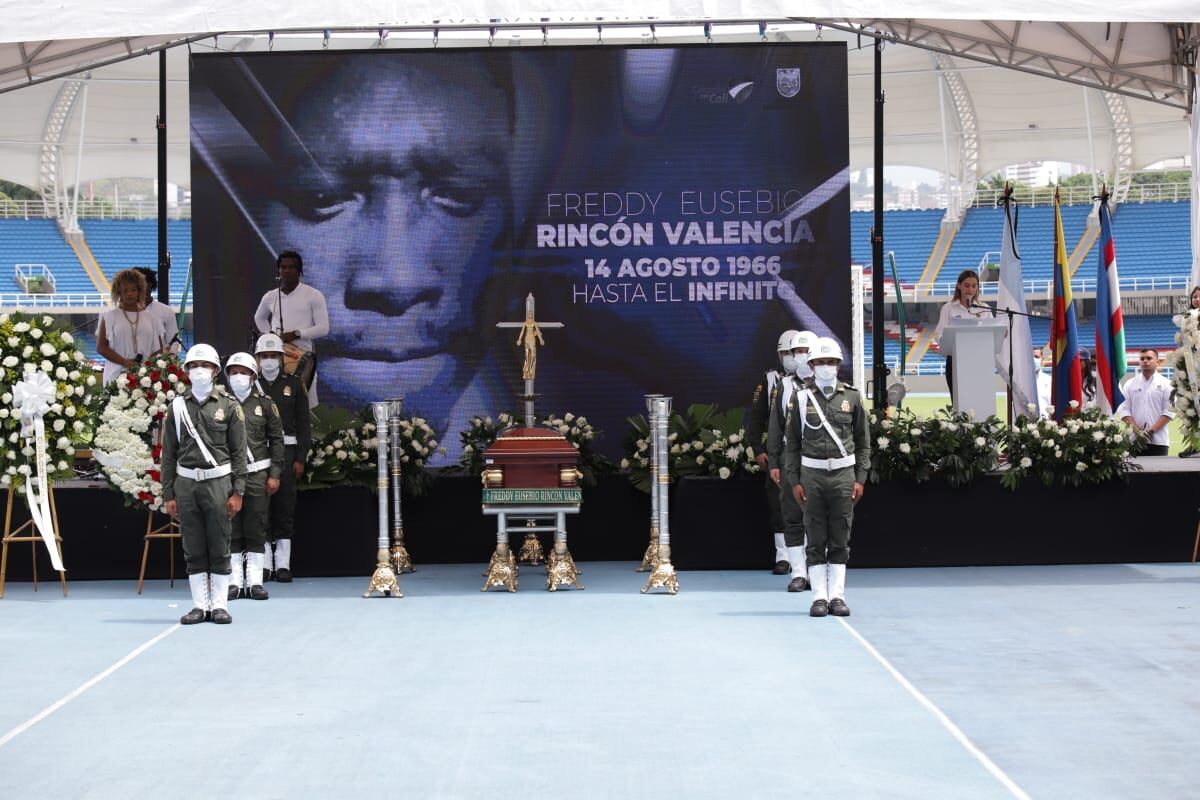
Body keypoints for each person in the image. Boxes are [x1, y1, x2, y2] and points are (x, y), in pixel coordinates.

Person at [161, 344, 248, 625]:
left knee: (221, 544)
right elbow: (168, 454)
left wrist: (238, 491)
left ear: (214, 371)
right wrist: (168, 493)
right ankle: (199, 605)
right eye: (194, 366)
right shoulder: (176, 407)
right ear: (187, 371)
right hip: (186, 484)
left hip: (218, 484)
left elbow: (239, 452)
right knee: (193, 545)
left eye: (205, 366)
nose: (199, 370)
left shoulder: (229, 406)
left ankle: (220, 605)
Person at [784, 337, 870, 618]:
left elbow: (862, 441)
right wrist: (795, 480)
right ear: (811, 365)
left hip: (844, 475)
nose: (825, 367)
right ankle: (819, 596)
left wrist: (860, 478)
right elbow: (793, 443)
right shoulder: (800, 398)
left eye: (831, 362)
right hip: (812, 474)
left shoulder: (852, 397)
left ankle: (838, 596)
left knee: (841, 534)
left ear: (838, 365)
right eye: (820, 362)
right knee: (816, 534)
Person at [224, 351, 284, 601]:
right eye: (234, 372)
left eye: (244, 372)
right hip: (227, 476)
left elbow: (277, 440)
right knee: (231, 526)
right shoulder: (220, 403)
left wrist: (276, 473)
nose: (239, 377)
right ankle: (235, 581)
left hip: (258, 473)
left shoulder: (265, 404)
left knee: (257, 525)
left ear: (253, 376)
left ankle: (256, 581)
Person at [254, 333, 311, 583]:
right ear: (257, 359)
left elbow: (303, 424)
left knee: (284, 507)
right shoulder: (250, 384)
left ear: (281, 358)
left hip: (287, 453)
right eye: (264, 356)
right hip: (258, 455)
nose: (268, 360)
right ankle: (265, 564)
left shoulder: (295, 384)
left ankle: (283, 565)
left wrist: (301, 456)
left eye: (273, 356)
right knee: (261, 509)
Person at [747, 329, 801, 574]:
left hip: (809, 454)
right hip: (779, 453)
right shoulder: (770, 381)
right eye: (784, 352)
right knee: (778, 505)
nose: (789, 357)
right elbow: (756, 419)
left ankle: (808, 558)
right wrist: (758, 449)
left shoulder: (815, 381)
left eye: (793, 352)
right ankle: (784, 557)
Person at [766, 330, 816, 592]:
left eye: (807, 352)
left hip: (820, 457)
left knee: (819, 517)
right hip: (791, 459)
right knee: (793, 516)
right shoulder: (783, 386)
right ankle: (798, 572)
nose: (802, 357)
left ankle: (818, 570)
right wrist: (774, 461)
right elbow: (775, 426)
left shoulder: (829, 386)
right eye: (797, 352)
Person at [253, 250, 329, 406]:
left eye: (291, 267)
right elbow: (259, 318)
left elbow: (323, 328)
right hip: (276, 358)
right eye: (283, 267)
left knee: (306, 402)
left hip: (303, 358)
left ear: (299, 271)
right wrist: (270, 338)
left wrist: (297, 334)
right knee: (276, 401)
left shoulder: (313, 295)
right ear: (278, 271)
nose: (286, 271)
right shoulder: (271, 296)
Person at [934, 269, 994, 399]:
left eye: (974, 286)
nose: (970, 290)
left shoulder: (985, 308)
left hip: (980, 360)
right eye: (967, 285)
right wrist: (948, 343)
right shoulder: (948, 308)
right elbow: (939, 334)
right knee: (958, 402)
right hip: (955, 360)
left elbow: (992, 333)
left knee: (980, 400)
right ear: (959, 286)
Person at [96, 269, 161, 385]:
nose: (129, 293)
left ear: (140, 291)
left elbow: (158, 350)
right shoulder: (108, 317)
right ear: (118, 293)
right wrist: (125, 362)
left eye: (133, 290)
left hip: (145, 379)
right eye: (125, 290)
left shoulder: (152, 318)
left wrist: (145, 366)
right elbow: (101, 347)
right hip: (114, 379)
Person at [1115, 348, 1175, 456]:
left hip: (1158, 442)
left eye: (1149, 358)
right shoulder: (1129, 384)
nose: (1145, 361)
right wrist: (1138, 432)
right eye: (1142, 358)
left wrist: (1150, 432)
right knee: (1133, 472)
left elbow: (1169, 412)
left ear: (1157, 362)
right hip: (1133, 441)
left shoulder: (1167, 384)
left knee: (1159, 472)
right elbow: (1124, 410)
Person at [134, 267, 180, 354]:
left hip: (154, 364)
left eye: (140, 284)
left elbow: (173, 342)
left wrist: (166, 362)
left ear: (150, 285)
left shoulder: (166, 311)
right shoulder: (123, 312)